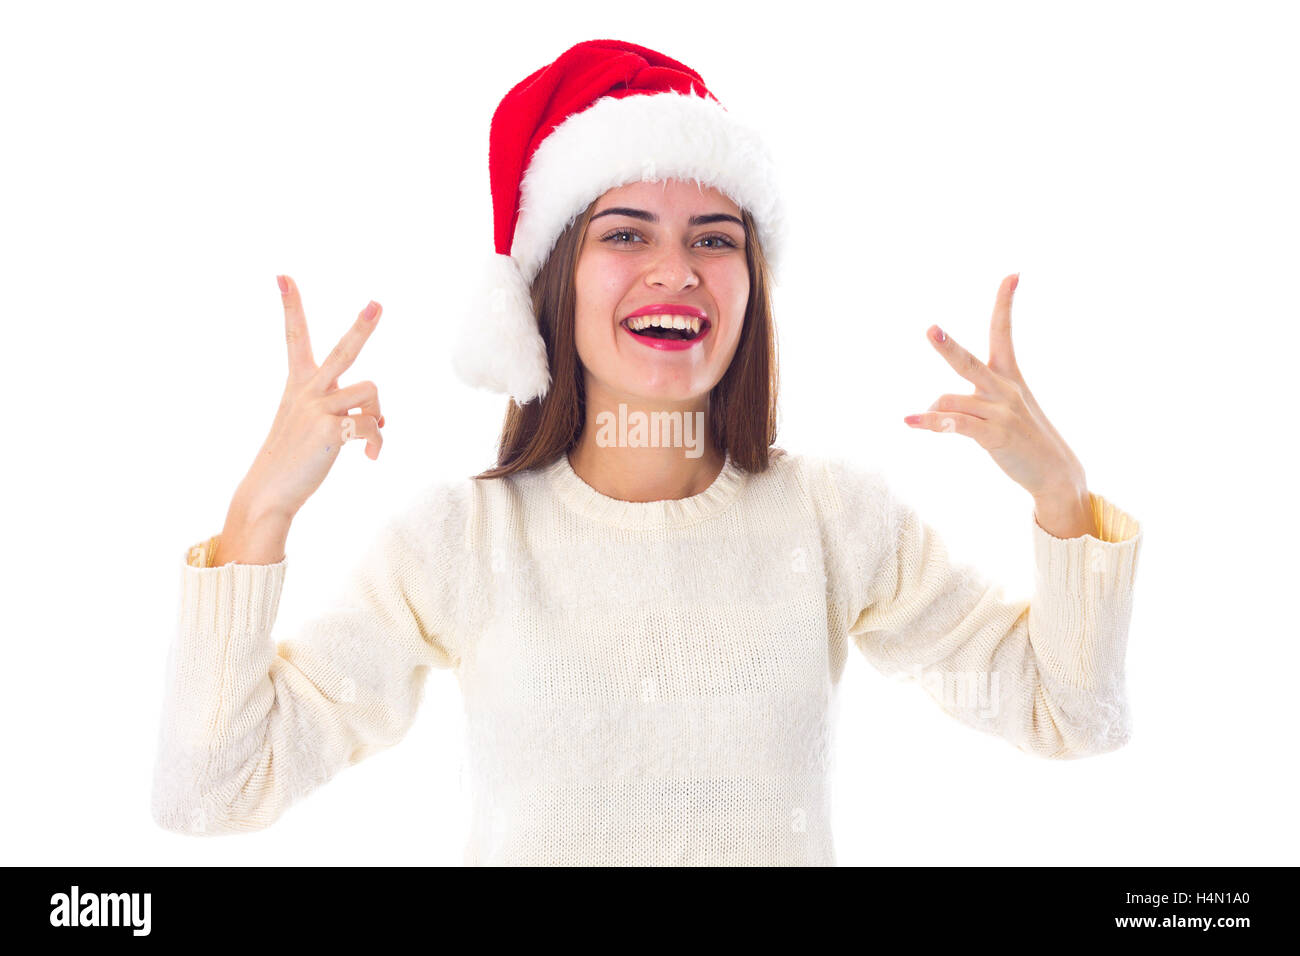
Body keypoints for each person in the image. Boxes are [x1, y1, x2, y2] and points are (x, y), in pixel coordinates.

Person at [150, 38, 1144, 865]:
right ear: (553, 282)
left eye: (715, 239)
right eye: (627, 234)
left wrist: (1060, 493)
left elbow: (1070, 714)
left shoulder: (832, 519)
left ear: (750, 285)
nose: (678, 271)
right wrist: (260, 514)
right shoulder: (461, 540)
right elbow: (216, 789)